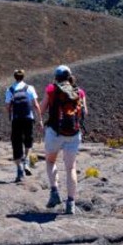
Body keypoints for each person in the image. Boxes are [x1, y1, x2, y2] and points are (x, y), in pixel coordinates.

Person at [40, 65, 88, 215]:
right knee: (71, 168)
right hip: (73, 134)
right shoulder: (79, 92)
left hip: (54, 132)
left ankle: (54, 192)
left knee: (50, 161)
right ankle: (71, 204)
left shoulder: (51, 90)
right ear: (69, 77)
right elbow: (84, 112)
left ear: (56, 77)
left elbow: (41, 110)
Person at [5, 69, 43, 183]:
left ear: (14, 77)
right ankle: (26, 161)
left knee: (16, 144)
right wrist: (40, 120)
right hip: (28, 118)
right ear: (23, 77)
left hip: (16, 119)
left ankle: (19, 169)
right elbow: (36, 105)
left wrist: (10, 114)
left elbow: (7, 106)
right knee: (28, 141)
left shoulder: (10, 89)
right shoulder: (29, 88)